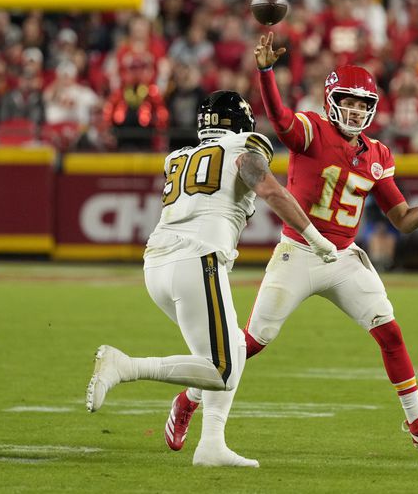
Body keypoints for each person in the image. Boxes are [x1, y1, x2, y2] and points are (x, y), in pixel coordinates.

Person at [168, 32, 418, 454]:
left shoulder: (378, 154)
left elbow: (402, 220)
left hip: (344, 257)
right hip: (299, 252)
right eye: (349, 100)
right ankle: (188, 398)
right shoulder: (312, 130)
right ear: (332, 100)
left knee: (390, 332)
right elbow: (279, 118)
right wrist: (267, 71)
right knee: (249, 344)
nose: (356, 109)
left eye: (364, 104)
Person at [85, 90, 338, 468]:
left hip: (157, 266)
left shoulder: (178, 156)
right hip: (197, 259)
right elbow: (268, 188)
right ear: (241, 123)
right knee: (222, 370)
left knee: (234, 346)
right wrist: (316, 239)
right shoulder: (245, 143)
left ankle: (212, 445)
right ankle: (125, 366)